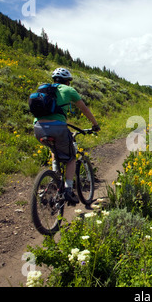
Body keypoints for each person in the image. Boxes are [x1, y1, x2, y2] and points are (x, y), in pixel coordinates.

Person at [33, 67, 100, 205]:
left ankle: (55, 177)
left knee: (54, 150)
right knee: (71, 158)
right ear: (67, 81)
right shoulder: (69, 90)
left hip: (38, 127)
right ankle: (68, 189)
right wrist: (95, 124)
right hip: (58, 128)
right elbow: (84, 109)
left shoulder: (43, 90)